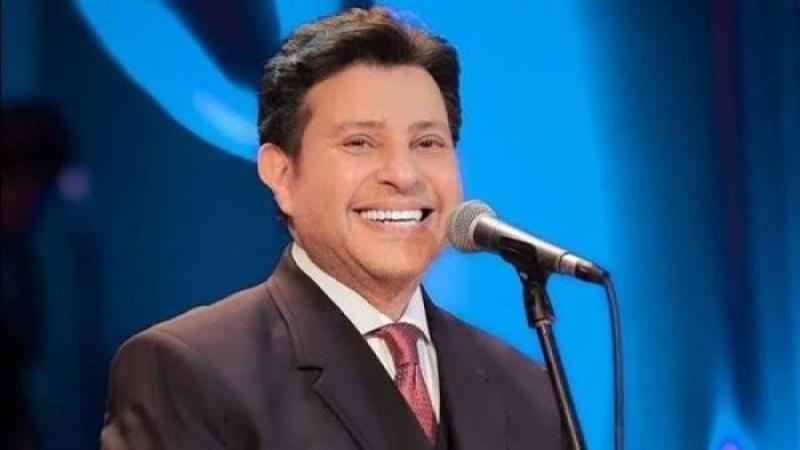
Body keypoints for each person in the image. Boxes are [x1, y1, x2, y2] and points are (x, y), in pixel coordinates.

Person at [100, 7, 564, 450]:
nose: (403, 174)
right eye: (360, 142)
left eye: (427, 143)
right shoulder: (189, 373)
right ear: (281, 174)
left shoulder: (530, 390)